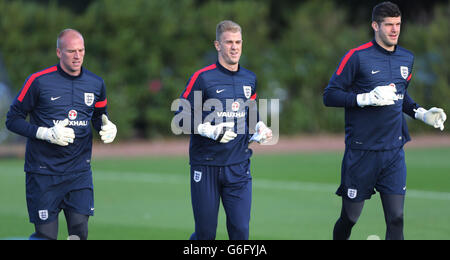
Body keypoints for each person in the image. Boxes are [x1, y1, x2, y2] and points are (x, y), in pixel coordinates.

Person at [323, 1, 446, 240]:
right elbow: (329, 96)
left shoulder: (406, 58)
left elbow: (402, 96)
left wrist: (422, 113)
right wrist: (365, 98)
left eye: (398, 24)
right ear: (375, 26)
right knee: (350, 218)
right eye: (389, 24)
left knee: (397, 218)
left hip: (393, 152)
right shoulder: (356, 57)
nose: (394, 30)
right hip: (361, 153)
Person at [5, 29, 117, 240]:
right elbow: (12, 120)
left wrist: (108, 126)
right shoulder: (38, 81)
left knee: (79, 233)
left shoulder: (96, 83)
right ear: (58, 52)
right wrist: (44, 133)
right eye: (71, 51)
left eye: (81, 50)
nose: (77, 56)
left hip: (79, 172)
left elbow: (100, 116)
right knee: (46, 236)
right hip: (43, 172)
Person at [176, 20, 272, 240]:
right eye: (229, 42)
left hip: (238, 167)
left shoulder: (250, 78)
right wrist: (208, 130)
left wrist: (260, 128)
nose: (234, 47)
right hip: (206, 165)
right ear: (217, 45)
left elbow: (251, 114)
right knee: (205, 235)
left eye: (238, 42)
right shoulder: (202, 78)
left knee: (240, 232)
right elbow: (180, 117)